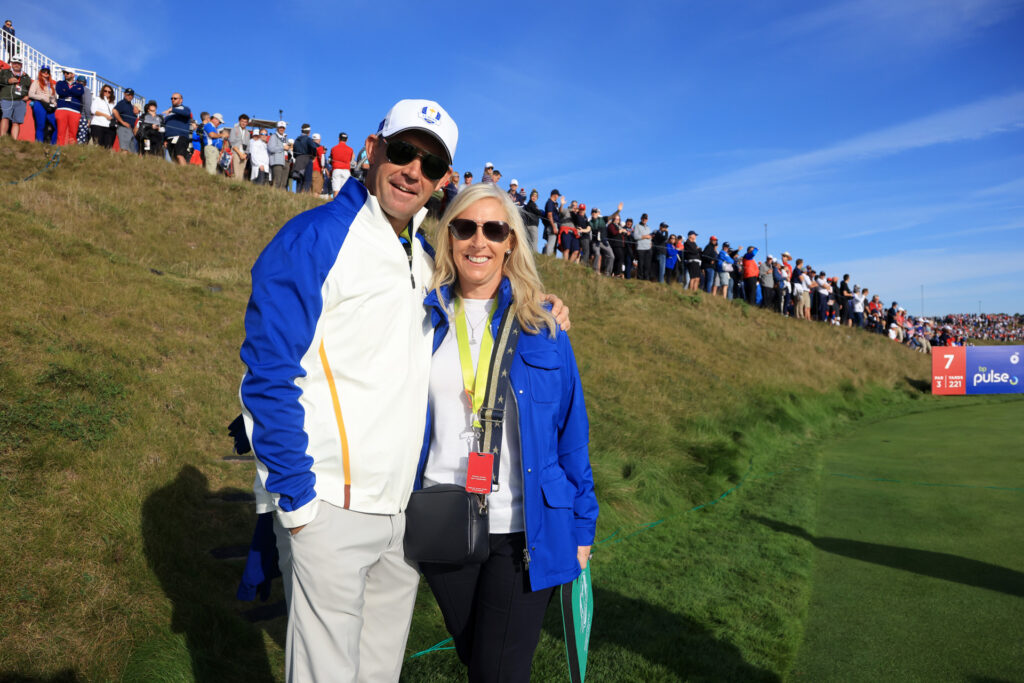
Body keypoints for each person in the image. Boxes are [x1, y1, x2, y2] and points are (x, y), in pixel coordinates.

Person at [418, 182, 597, 683]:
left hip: (524, 528)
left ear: (511, 242)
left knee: (498, 671)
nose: (480, 241)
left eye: (494, 229)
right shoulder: (421, 315)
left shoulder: (543, 326)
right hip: (443, 519)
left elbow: (571, 432)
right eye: (465, 228)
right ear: (448, 236)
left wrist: (584, 524)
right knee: (481, 659)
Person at [0, 54, 31, 139]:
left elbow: (31, 89)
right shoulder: (4, 72)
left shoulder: (26, 77)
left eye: (18, 63)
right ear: (11, 63)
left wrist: (29, 96)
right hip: (7, 98)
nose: (16, 65)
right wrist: (7, 81)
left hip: (21, 101)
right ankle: (2, 138)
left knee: (16, 122)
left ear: (21, 65)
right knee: (5, 117)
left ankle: (14, 140)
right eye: (14, 63)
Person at [54, 69, 85, 146]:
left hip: (75, 111)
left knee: (73, 134)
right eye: (64, 73)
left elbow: (79, 92)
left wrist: (67, 91)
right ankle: (59, 150)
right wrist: (72, 91)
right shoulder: (60, 83)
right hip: (62, 109)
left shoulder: (80, 85)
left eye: (67, 73)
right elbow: (60, 92)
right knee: (61, 133)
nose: (65, 74)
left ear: (73, 75)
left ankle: (71, 152)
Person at [29, 66, 58, 144]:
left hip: (50, 106)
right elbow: (30, 94)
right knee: (40, 125)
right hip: (39, 104)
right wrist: (41, 97)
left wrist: (54, 103)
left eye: (47, 71)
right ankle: (39, 144)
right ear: (40, 72)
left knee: (57, 126)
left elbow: (53, 97)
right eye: (44, 71)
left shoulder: (52, 85)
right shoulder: (36, 82)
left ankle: (53, 145)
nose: (46, 73)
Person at [162, 93, 192, 165]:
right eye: (171, 98)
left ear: (181, 100)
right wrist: (164, 140)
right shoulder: (168, 113)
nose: (173, 100)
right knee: (173, 159)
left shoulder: (184, 108)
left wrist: (173, 109)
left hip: (180, 136)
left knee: (179, 156)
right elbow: (165, 126)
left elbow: (187, 113)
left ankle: (185, 174)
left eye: (175, 98)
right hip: (169, 138)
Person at [111, 88, 138, 153]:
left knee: (132, 151)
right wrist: (122, 122)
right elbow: (114, 111)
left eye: (131, 95)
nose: (130, 96)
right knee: (124, 149)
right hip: (123, 128)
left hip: (130, 130)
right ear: (124, 94)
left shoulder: (131, 106)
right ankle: (121, 162)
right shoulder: (122, 103)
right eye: (128, 94)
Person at [330, 132, 353, 196]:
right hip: (346, 170)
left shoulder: (333, 148)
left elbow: (331, 159)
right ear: (347, 139)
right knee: (345, 191)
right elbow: (350, 160)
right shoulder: (350, 149)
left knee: (336, 190)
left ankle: (335, 204)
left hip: (336, 169)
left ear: (339, 138)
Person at [229, 114, 251, 182]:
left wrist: (245, 154)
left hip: (244, 154)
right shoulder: (234, 129)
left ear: (247, 123)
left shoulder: (248, 133)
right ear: (239, 121)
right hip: (236, 152)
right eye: (242, 121)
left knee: (241, 174)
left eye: (245, 122)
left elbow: (248, 145)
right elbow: (232, 142)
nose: (243, 123)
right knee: (235, 172)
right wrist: (239, 153)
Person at [268, 121, 288, 189]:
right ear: (277, 128)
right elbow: (271, 148)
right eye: (280, 127)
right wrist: (283, 148)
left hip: (286, 161)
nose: (281, 129)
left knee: (284, 182)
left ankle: (281, 197)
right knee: (277, 181)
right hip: (277, 162)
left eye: (283, 127)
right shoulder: (273, 137)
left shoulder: (285, 137)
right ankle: (274, 196)